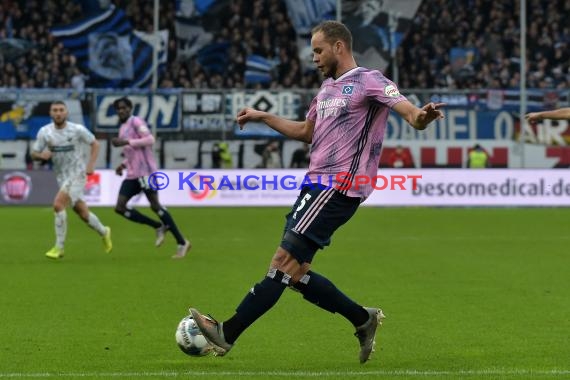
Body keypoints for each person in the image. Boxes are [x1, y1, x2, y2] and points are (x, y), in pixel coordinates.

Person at [188, 20, 444, 363]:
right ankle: (362, 319)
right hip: (314, 187)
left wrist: (423, 117)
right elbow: (307, 131)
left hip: (338, 187)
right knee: (294, 275)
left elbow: (411, 115)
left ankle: (227, 333)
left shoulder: (370, 80)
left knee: (281, 263)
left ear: (339, 46)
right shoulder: (325, 91)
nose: (315, 58)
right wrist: (265, 117)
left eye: (319, 50)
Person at [111, 97, 191, 259]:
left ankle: (182, 242)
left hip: (147, 172)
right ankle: (158, 226)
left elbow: (150, 139)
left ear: (130, 109)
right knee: (120, 207)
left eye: (124, 108)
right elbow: (133, 153)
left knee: (155, 205)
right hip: (133, 174)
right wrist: (123, 165)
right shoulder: (123, 128)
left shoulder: (136, 122)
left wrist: (126, 141)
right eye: (119, 108)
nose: (121, 110)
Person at [31, 101, 112, 259]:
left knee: (58, 204)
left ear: (66, 113)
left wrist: (91, 165)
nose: (58, 113)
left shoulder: (77, 130)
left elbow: (95, 144)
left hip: (78, 173)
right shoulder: (45, 132)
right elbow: (34, 153)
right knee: (82, 212)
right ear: (50, 113)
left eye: (61, 110)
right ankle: (104, 231)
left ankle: (59, 247)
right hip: (61, 176)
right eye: (55, 110)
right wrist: (41, 156)